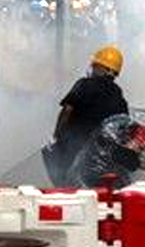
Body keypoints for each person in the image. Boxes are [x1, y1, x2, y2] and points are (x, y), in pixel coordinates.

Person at [49, 46, 129, 186]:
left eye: (95, 65)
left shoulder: (84, 84)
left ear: (102, 68)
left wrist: (56, 136)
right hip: (101, 158)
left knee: (61, 182)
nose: (92, 68)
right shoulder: (118, 94)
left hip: (74, 149)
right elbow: (123, 123)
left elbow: (67, 111)